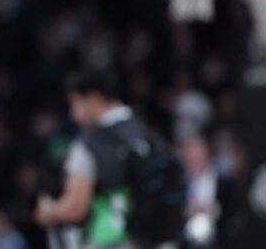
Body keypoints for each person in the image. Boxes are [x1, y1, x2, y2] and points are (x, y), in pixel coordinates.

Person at [34, 70, 182, 249]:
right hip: (160, 241)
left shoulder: (89, 143)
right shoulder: (152, 135)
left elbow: (75, 207)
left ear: (93, 98)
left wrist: (50, 210)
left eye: (75, 103)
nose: (73, 114)